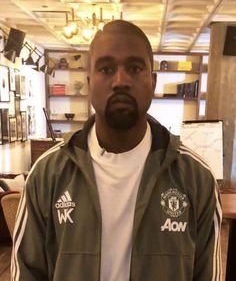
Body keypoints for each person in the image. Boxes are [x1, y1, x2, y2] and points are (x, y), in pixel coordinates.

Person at [12, 20, 222, 281]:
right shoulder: (47, 174)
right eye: (106, 68)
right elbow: (26, 273)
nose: (120, 81)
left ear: (152, 81)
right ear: (89, 83)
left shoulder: (196, 177)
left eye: (134, 68)